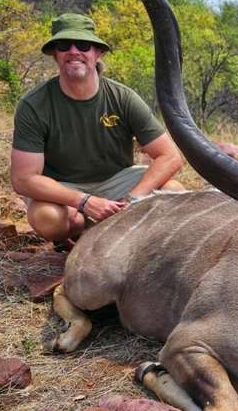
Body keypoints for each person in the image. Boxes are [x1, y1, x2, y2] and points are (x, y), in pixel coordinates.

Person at [10, 13, 184, 243]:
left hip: (118, 183)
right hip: (64, 188)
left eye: (83, 45)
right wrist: (84, 202)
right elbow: (23, 179)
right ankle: (81, 229)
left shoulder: (123, 97)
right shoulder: (33, 105)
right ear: (55, 54)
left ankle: (113, 230)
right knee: (48, 219)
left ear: (97, 52)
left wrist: (132, 200)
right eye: (64, 45)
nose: (73, 51)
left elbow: (170, 156)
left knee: (174, 191)